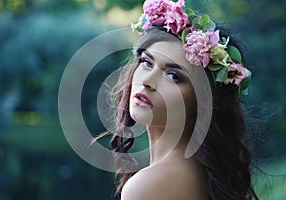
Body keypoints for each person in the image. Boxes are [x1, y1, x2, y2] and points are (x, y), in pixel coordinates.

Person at [106, 0, 259, 199]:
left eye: (173, 76)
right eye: (146, 62)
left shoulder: (147, 187)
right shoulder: (203, 173)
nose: (147, 82)